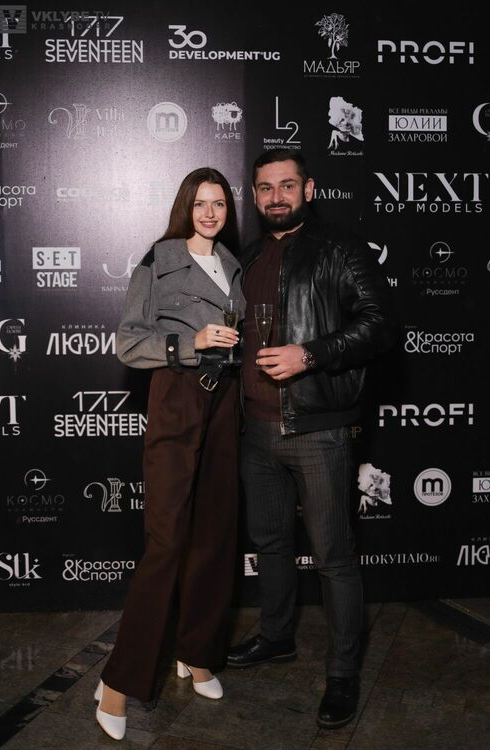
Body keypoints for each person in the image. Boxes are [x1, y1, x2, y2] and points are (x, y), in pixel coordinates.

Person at [227, 150, 396, 729]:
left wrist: (311, 354)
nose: (276, 197)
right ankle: (276, 636)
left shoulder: (339, 248)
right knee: (271, 544)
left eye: (287, 185)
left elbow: (380, 325)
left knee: (333, 557)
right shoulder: (248, 256)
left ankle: (343, 674)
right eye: (265, 188)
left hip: (317, 430)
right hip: (255, 429)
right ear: (254, 195)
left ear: (309, 189)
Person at [95, 167, 245, 741]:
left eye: (219, 204)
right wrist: (191, 341)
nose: (210, 213)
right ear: (186, 206)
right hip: (178, 397)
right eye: (200, 203)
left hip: (225, 403)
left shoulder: (233, 265)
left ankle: (196, 653)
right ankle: (117, 682)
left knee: (215, 538)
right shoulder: (158, 260)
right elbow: (129, 343)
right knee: (166, 545)